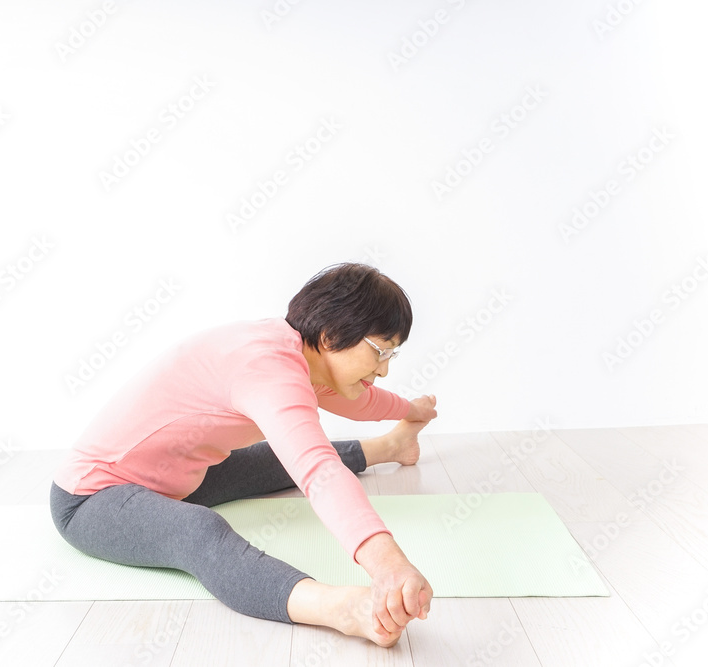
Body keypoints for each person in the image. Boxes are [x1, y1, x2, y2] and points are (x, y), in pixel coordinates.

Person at [51, 262, 437, 647]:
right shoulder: (268, 369)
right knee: (198, 531)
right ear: (331, 335)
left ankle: (390, 446)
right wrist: (389, 564)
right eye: (380, 351)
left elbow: (358, 399)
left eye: (392, 354)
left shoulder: (300, 354)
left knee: (273, 458)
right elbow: (318, 469)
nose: (384, 369)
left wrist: (409, 410)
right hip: (90, 499)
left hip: (176, 479)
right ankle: (338, 608)